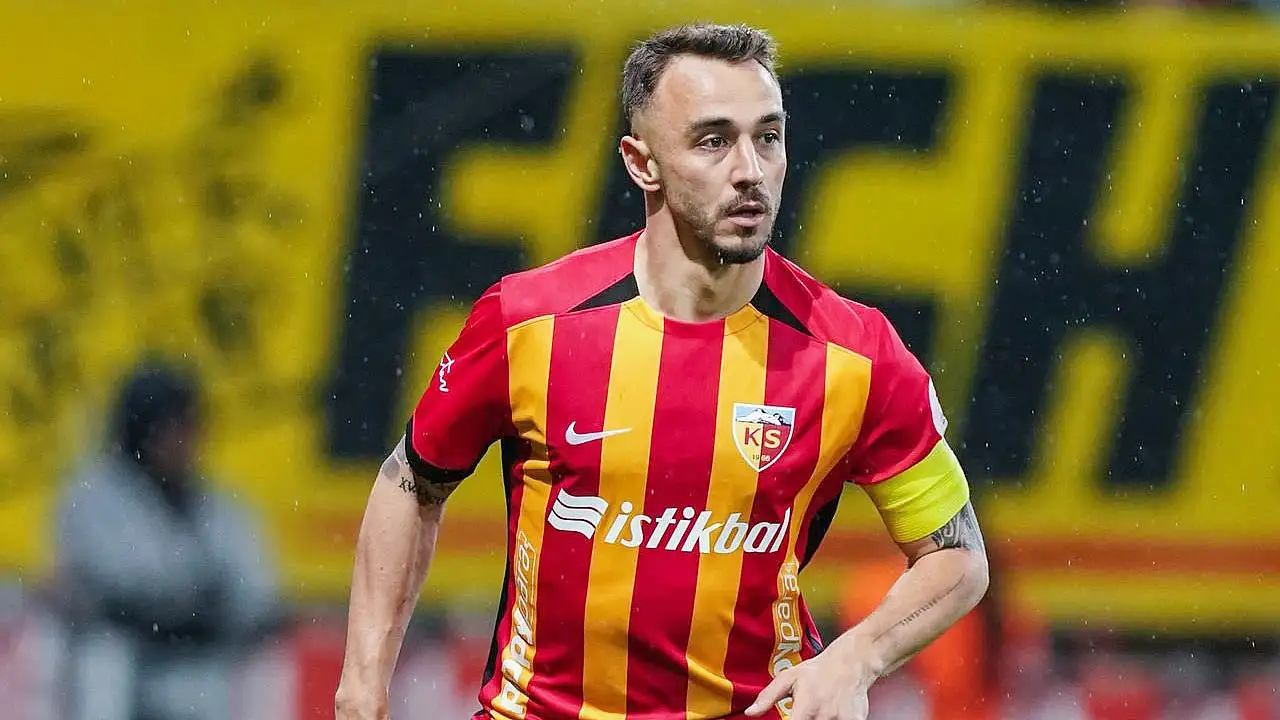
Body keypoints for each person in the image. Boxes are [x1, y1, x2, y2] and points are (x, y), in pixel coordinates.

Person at [336, 23, 989, 720]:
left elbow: (957, 557)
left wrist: (857, 658)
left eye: (768, 137)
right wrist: (361, 688)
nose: (750, 169)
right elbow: (412, 482)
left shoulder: (857, 353)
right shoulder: (528, 322)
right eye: (713, 141)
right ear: (641, 163)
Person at [55, 361, 280, 720]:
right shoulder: (96, 497)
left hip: (200, 672)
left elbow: (257, 599)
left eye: (191, 427)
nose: (186, 440)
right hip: (120, 673)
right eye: (175, 427)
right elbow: (123, 595)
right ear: (142, 431)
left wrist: (196, 610)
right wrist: (192, 602)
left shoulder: (222, 508)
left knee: (256, 672)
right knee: (104, 657)